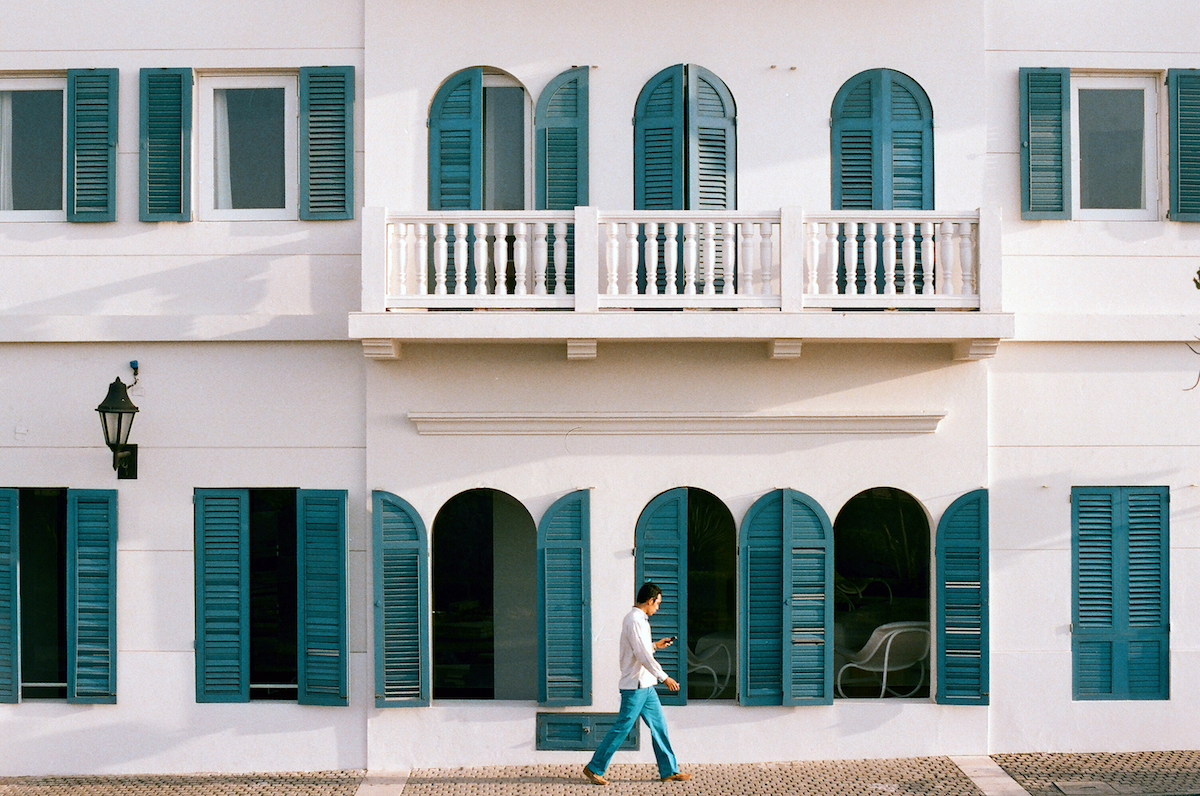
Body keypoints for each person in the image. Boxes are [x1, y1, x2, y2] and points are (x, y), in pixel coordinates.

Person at [582, 582, 692, 785]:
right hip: (635, 686)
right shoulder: (635, 620)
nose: (657, 608)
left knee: (659, 726)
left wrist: (655, 645)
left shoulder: (638, 619)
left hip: (645, 686)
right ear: (650, 601)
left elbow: (641, 648)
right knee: (622, 728)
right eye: (657, 603)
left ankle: (669, 770)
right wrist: (664, 677)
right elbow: (641, 655)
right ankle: (594, 767)